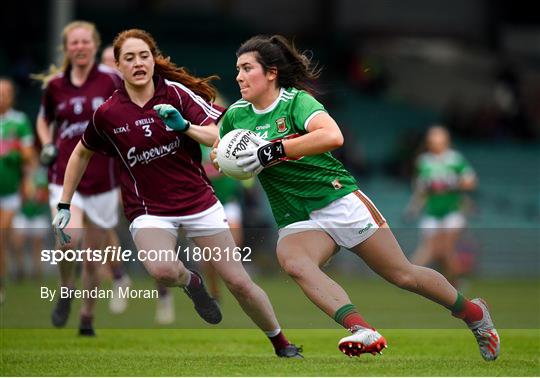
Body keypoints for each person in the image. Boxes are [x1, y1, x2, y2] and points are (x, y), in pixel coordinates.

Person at [208, 34, 499, 361]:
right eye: (238, 69)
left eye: (247, 68)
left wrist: (273, 150)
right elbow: (221, 143)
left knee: (403, 274)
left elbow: (332, 136)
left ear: (271, 72)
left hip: (338, 200)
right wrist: (218, 154)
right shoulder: (235, 114)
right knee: (294, 261)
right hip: (295, 215)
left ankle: (473, 313)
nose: (239, 76)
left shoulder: (296, 102)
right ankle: (361, 329)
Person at [52, 28, 302, 358]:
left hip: (198, 202)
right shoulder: (108, 113)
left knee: (239, 282)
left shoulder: (178, 95)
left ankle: (281, 343)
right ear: (118, 67)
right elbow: (81, 153)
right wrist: (65, 202)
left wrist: (184, 126)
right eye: (129, 58)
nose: (138, 63)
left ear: (153, 60)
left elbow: (217, 135)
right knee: (164, 270)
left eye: (144, 56)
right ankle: (191, 283)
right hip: (148, 210)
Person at [34, 21, 122, 335]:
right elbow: (44, 120)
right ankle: (66, 287)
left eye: (86, 42)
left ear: (95, 45)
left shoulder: (112, 79)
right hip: (64, 176)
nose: (80, 47)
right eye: (74, 42)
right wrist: (47, 143)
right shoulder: (55, 85)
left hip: (103, 180)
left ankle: (87, 316)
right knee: (68, 243)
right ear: (66, 48)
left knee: (93, 257)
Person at [406, 125, 477, 286]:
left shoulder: (455, 159)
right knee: (433, 249)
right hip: (432, 211)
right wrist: (414, 207)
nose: (435, 142)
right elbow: (421, 190)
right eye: (432, 138)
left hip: (452, 210)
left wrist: (450, 185)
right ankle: (453, 281)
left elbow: (471, 182)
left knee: (444, 247)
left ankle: (413, 276)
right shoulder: (423, 161)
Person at [0, 77, 36, 304]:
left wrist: (12, 151)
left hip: (11, 191)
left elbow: (29, 155)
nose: (1, 97)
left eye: (5, 93)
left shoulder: (19, 121)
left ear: (12, 96)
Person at [11, 165, 50, 280]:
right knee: (18, 244)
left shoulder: (42, 177)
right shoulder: (21, 178)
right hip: (23, 215)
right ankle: (20, 270)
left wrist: (39, 198)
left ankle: (36, 272)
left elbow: (45, 196)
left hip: (38, 216)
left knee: (37, 246)